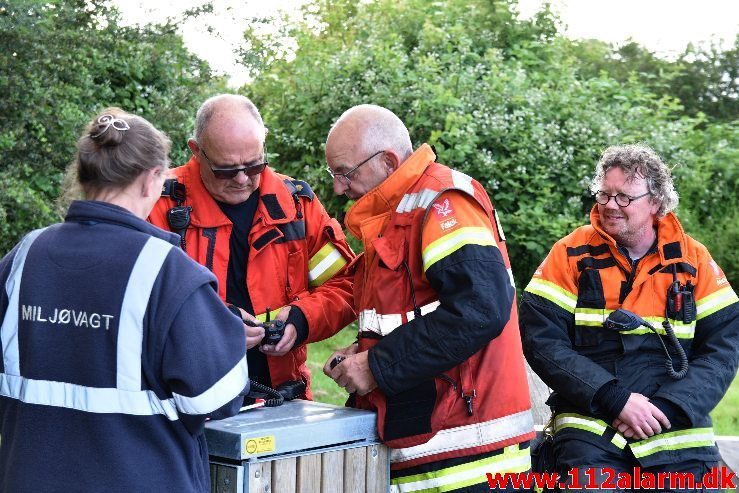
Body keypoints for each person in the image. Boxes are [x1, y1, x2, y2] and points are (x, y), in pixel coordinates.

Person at [0, 108, 249, 492]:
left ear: (84, 175)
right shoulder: (167, 270)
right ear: (153, 179)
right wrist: (225, 331)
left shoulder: (23, 257)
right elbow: (214, 400)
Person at [322, 104, 535, 493]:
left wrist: (377, 364)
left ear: (387, 161)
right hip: (433, 442)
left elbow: (481, 309)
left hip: (468, 456)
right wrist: (365, 348)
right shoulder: (397, 212)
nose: (338, 186)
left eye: (344, 173)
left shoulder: (442, 201)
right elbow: (416, 312)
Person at [519, 144, 739, 490]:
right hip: (591, 426)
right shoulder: (570, 254)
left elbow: (724, 349)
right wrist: (614, 399)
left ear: (656, 202)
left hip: (676, 429)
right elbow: (542, 342)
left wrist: (667, 408)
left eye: (624, 197)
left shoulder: (694, 260)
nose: (609, 205)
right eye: (604, 194)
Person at [149, 94, 355, 398]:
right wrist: (212, 321)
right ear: (196, 151)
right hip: (183, 401)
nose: (243, 179)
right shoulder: (155, 202)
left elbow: (346, 283)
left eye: (255, 164)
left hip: (280, 396)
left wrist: (301, 320)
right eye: (226, 170)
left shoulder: (297, 205)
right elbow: (132, 301)